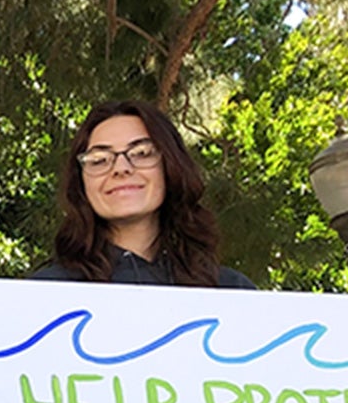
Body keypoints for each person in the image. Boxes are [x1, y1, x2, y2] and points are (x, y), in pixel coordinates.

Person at [31, 99, 256, 287]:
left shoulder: (231, 292)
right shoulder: (47, 293)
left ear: (171, 166)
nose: (121, 168)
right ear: (81, 182)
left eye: (142, 153)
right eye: (99, 160)